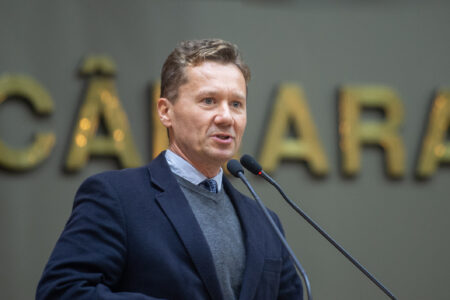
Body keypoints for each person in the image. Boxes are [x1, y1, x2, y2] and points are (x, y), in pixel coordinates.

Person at [36, 39, 303, 300]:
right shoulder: (116, 197)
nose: (226, 117)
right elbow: (63, 291)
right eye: (209, 100)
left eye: (236, 104)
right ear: (166, 111)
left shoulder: (266, 221)